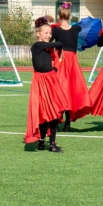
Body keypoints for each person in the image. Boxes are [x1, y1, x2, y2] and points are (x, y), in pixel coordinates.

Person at [25, 17, 71, 153]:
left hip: (50, 80)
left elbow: (54, 57)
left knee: (53, 111)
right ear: (38, 34)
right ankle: (42, 140)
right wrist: (60, 44)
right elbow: (56, 44)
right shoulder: (37, 46)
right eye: (46, 33)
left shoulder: (48, 49)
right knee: (43, 112)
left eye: (50, 33)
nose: (49, 36)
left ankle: (51, 143)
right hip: (40, 82)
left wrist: (55, 68)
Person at [50, 2, 90, 130]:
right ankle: (67, 122)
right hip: (72, 61)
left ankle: (56, 120)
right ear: (69, 15)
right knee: (71, 91)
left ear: (58, 15)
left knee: (58, 90)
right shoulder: (76, 29)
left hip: (60, 60)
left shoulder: (55, 30)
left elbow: (48, 44)